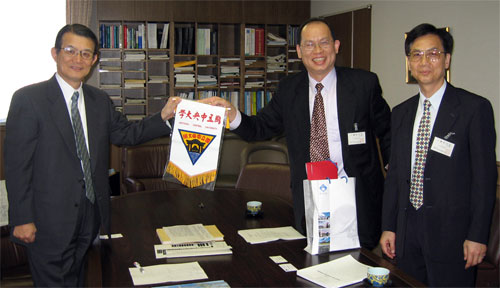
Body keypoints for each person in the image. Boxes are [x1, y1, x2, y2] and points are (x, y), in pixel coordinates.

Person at [5, 24, 180, 287]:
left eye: (86, 54)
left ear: (95, 60)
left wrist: (163, 117)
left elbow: (126, 134)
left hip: (92, 216)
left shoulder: (99, 100)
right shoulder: (29, 99)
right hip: (47, 221)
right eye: (71, 51)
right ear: (55, 53)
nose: (78, 59)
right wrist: (22, 219)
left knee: (83, 280)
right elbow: (17, 166)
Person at [202, 18, 391, 249]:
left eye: (324, 42)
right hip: (311, 197)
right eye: (310, 45)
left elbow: (388, 131)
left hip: (357, 197)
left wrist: (397, 179)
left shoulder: (364, 84)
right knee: (313, 261)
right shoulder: (289, 89)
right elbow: (260, 128)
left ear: (336, 46)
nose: (318, 51)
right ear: (300, 51)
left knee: (359, 261)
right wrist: (233, 115)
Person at [380, 23, 497, 286]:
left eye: (433, 54)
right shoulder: (401, 113)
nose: (424, 62)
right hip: (408, 233)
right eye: (416, 55)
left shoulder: (473, 109)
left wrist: (477, 235)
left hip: (453, 236)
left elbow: (484, 180)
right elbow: (396, 175)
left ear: (446, 60)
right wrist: (389, 226)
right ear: (409, 62)